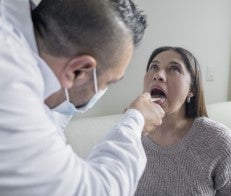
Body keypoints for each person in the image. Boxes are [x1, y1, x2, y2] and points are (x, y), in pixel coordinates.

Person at [0, 0, 166, 196]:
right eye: (109, 82)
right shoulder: (11, 88)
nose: (159, 76)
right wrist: (135, 121)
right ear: (78, 71)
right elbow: (93, 190)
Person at [135, 46, 231, 196]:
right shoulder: (129, 135)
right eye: (154, 67)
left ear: (191, 89)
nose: (158, 75)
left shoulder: (219, 141)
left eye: (174, 69)